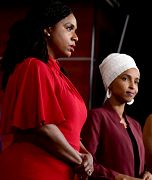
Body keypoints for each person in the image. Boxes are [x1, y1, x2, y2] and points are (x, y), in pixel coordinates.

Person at [0, 1, 94, 179]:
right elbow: (41, 127)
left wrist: (86, 154)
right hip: (34, 169)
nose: (76, 37)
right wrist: (79, 159)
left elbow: (68, 131)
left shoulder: (58, 74)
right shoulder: (34, 66)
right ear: (48, 29)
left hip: (58, 169)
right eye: (69, 28)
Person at [81, 53, 152, 180]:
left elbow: (138, 161)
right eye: (125, 79)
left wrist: (147, 173)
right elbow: (86, 163)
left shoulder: (135, 124)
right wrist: (117, 177)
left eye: (136, 81)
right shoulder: (97, 117)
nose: (132, 86)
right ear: (110, 83)